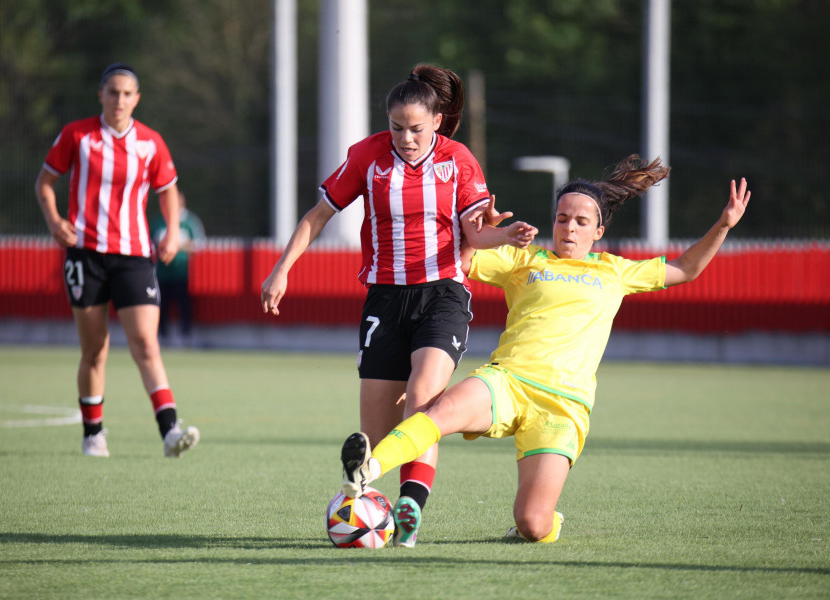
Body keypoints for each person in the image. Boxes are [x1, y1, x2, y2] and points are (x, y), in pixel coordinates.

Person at [339, 155, 751, 543]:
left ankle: (546, 519)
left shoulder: (616, 271)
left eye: (581, 221)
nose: (569, 228)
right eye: (562, 218)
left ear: (598, 231)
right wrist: (483, 230)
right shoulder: (525, 260)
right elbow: (460, 262)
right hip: (507, 381)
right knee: (437, 411)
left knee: (532, 524)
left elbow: (686, 268)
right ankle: (368, 471)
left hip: (563, 405)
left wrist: (724, 224)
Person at [261, 64, 535, 546]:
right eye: (396, 128)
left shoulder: (459, 160)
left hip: (443, 295)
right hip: (384, 299)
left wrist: (505, 236)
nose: (406, 138)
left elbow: (475, 232)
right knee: (378, 435)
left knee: (424, 401)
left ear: (436, 122)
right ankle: (368, 491)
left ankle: (410, 508)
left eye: (416, 129)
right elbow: (319, 213)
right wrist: (283, 268)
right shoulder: (366, 157)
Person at [34, 62, 200, 458]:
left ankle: (169, 431)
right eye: (113, 92)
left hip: (133, 257)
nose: (120, 100)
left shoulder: (150, 142)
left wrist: (173, 233)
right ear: (101, 95)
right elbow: (45, 182)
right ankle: (93, 433)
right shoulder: (78, 135)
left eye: (127, 94)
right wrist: (55, 220)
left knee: (146, 343)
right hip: (86, 254)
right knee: (95, 349)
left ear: (137, 99)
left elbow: (167, 190)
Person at [151, 191, 206, 343]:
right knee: (162, 306)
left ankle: (186, 335)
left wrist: (179, 245)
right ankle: (162, 335)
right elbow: (150, 242)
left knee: (184, 305)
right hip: (162, 273)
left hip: (182, 273)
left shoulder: (189, 221)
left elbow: (199, 244)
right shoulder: (159, 221)